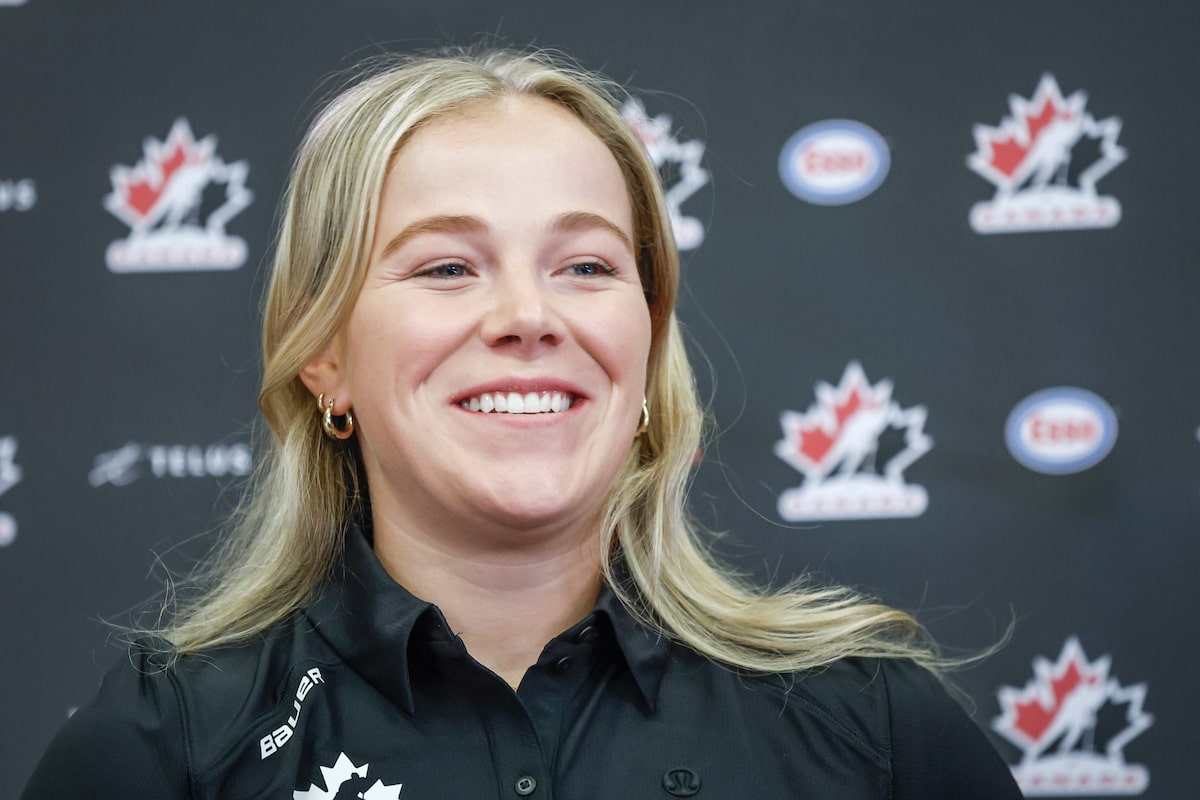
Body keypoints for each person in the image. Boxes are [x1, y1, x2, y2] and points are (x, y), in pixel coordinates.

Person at [23, 48, 1022, 798]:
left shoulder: (876, 727)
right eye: (447, 266)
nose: (529, 317)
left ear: (645, 346)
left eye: (585, 265)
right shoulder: (163, 746)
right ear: (324, 352)